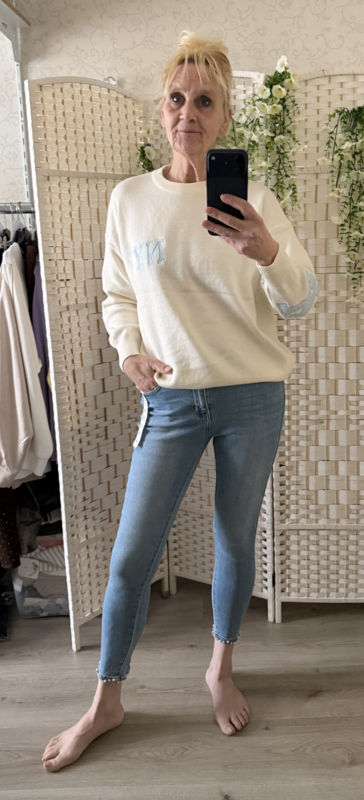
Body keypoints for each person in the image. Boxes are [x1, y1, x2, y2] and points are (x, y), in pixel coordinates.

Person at [41, 29, 318, 773]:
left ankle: (220, 668)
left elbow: (300, 300)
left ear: (224, 116)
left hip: (252, 397)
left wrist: (266, 252)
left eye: (204, 101)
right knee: (131, 557)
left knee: (235, 540)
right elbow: (117, 294)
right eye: (175, 98)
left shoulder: (255, 199)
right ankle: (107, 700)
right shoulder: (129, 200)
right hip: (168, 402)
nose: (187, 113)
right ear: (159, 110)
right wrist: (126, 348)